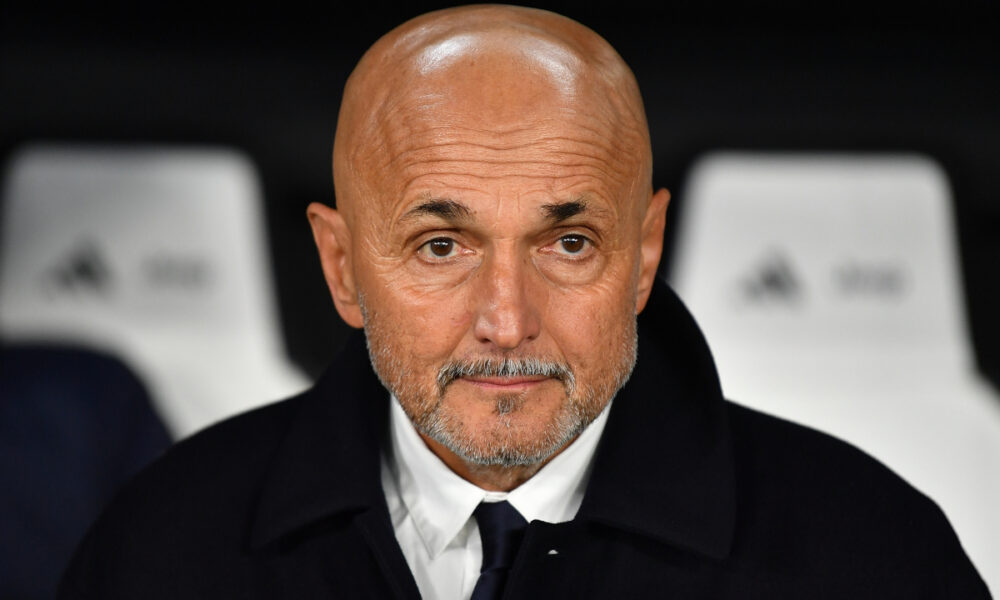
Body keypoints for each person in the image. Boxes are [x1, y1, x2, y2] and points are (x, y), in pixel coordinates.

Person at [58, 5, 990, 598]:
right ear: (341, 268)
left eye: (568, 243)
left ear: (644, 255)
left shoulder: (869, 556)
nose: (507, 320)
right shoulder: (162, 550)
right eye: (441, 246)